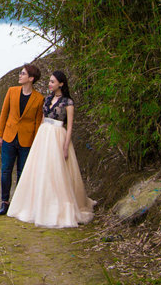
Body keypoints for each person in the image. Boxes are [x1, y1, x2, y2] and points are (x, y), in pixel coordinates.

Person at [7, 70, 95, 227]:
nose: (49, 84)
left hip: (57, 136)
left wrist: (66, 146)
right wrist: (38, 140)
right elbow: (42, 120)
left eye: (53, 82)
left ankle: (57, 205)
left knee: (57, 171)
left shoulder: (68, 102)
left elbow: (70, 127)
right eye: (49, 81)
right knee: (41, 170)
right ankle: (37, 204)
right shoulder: (47, 99)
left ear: (61, 84)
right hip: (43, 135)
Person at [0, 64, 45, 216]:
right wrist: (0, 135)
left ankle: (18, 203)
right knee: (6, 170)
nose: (20, 76)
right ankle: (5, 202)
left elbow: (38, 123)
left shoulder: (39, 98)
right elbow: (4, 114)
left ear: (31, 78)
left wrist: (36, 143)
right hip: (9, 137)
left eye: (23, 74)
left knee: (22, 172)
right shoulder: (12, 91)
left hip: (27, 140)